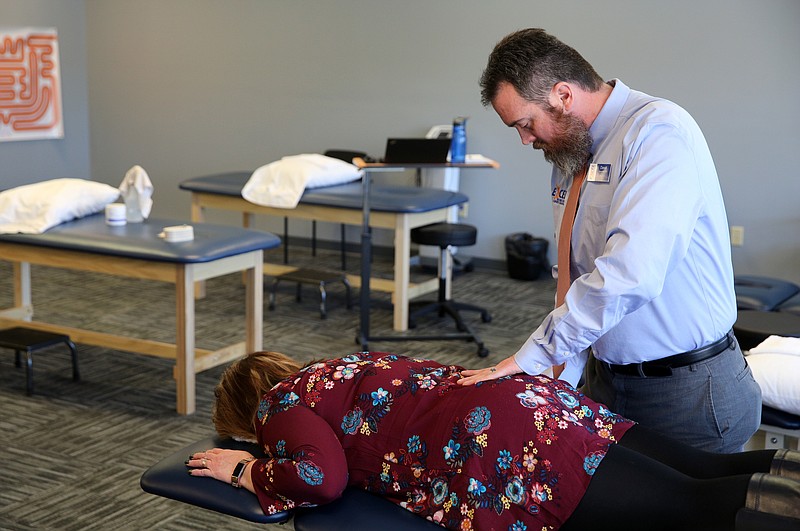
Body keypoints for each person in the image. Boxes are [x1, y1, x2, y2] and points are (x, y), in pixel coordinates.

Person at [459, 28, 761, 453]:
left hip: (686, 392)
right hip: (606, 381)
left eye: (525, 124)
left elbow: (628, 274)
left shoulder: (657, 132)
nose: (525, 140)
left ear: (563, 95)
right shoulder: (569, 156)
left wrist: (534, 355)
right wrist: (556, 381)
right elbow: (576, 277)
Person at [187, 351, 800, 531]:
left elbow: (320, 478)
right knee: (708, 469)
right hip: (530, 401)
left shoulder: (282, 407)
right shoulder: (335, 371)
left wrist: (245, 469)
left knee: (690, 507)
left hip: (504, 443)